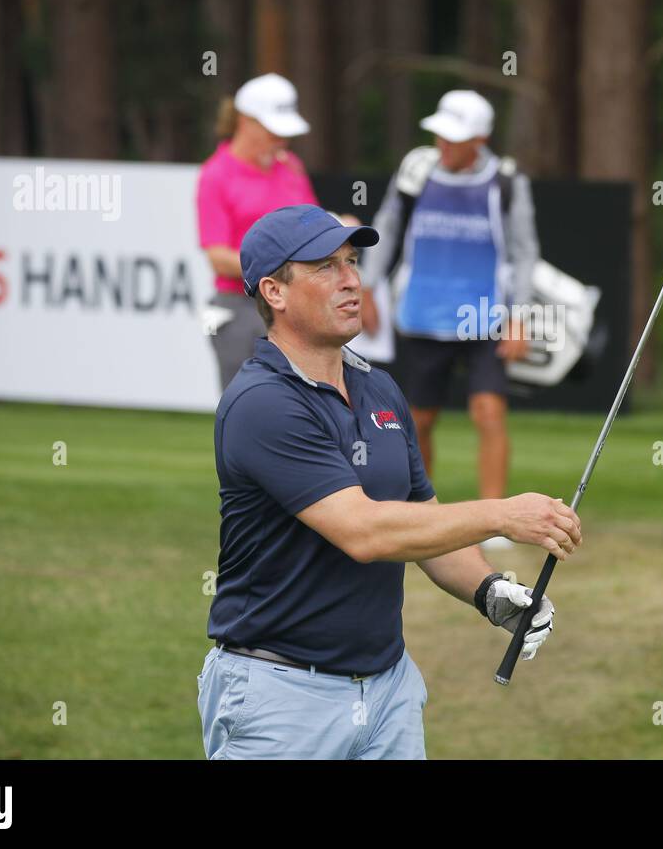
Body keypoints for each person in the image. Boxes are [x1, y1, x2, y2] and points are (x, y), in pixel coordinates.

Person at [196, 204, 582, 760]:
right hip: (280, 697)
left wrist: (490, 590)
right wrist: (503, 514)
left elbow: (420, 518)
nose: (352, 278)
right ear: (274, 292)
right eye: (325, 266)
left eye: (352, 261)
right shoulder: (262, 403)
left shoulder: (380, 390)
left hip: (388, 691)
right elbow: (366, 533)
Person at [357, 90, 540, 549]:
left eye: (453, 137)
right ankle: (422, 515)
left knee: (489, 411)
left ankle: (497, 518)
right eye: (439, 133)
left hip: (484, 318)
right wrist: (366, 285)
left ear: (480, 139)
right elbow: (389, 225)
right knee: (417, 420)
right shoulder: (416, 170)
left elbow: (523, 252)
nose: (442, 143)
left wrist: (519, 317)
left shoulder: (506, 181)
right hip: (422, 315)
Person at [196, 73, 321, 391]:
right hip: (240, 306)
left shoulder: (290, 166)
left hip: (293, 305)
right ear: (245, 121)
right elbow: (219, 258)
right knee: (248, 408)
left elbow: (311, 225)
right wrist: (283, 263)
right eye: (274, 130)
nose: (283, 139)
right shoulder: (216, 175)